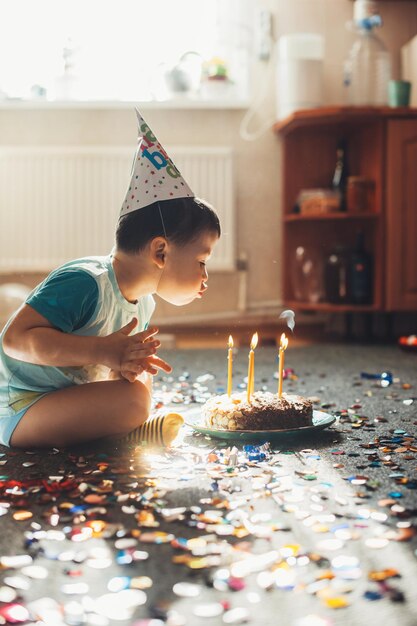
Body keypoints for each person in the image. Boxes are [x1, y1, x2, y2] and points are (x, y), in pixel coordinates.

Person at [0, 112, 221, 449]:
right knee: (134, 403)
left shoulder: (143, 301)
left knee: (136, 392)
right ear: (160, 252)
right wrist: (102, 350)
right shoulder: (85, 282)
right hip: (18, 407)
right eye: (202, 261)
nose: (205, 276)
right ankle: (124, 434)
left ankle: (120, 429)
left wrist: (128, 365)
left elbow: (115, 373)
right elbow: (14, 340)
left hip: (62, 397)